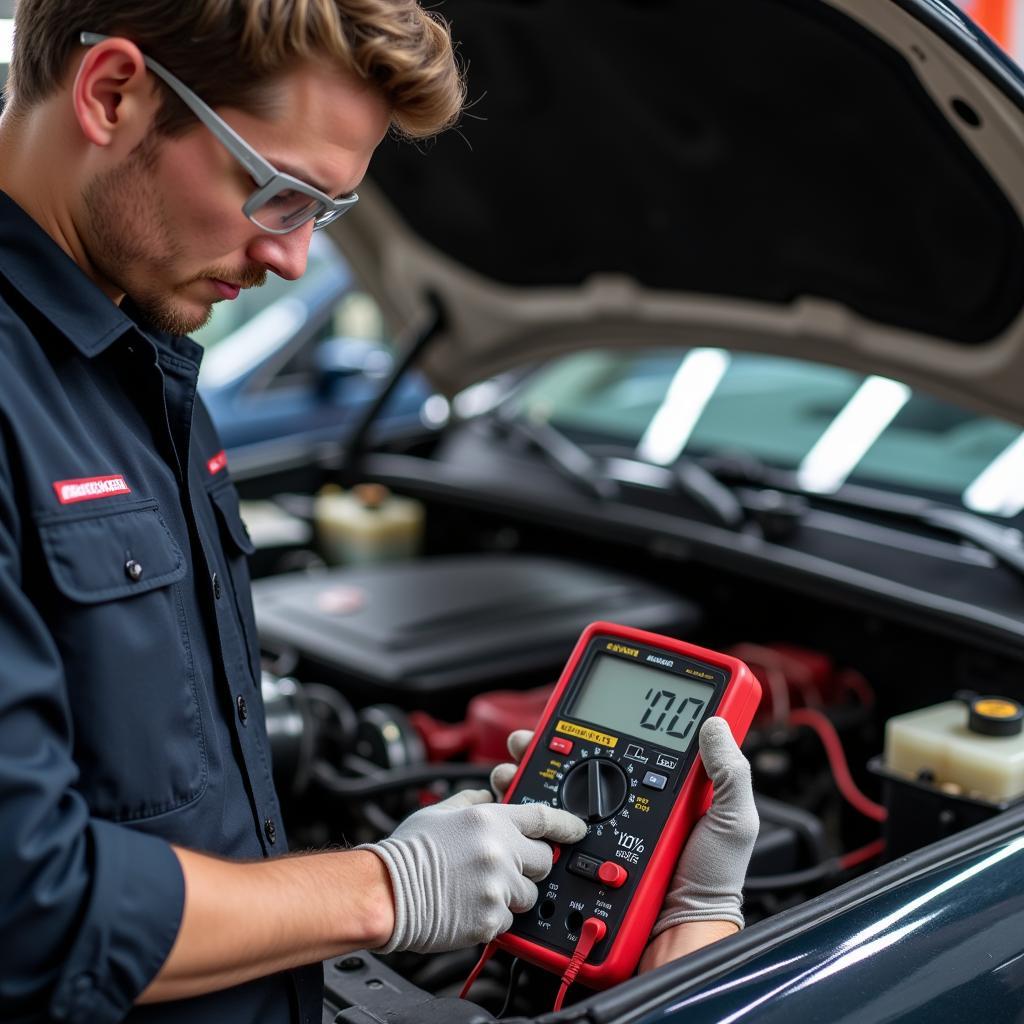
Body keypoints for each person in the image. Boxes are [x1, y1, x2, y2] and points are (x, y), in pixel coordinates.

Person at [0, 2, 759, 1022]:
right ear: (113, 94)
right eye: (276, 193)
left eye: (328, 211)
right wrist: (384, 888)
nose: (294, 258)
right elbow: (25, 908)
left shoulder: (132, 352)